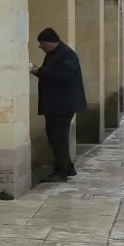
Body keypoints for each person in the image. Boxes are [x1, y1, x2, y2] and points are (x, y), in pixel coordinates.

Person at [31, 27, 86, 181]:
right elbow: (51, 73)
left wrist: (40, 71)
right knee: (55, 137)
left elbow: (65, 75)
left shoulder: (67, 54)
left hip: (62, 106)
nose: (40, 47)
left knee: (58, 138)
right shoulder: (54, 54)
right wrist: (40, 71)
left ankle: (60, 172)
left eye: (41, 43)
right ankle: (67, 168)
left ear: (48, 42)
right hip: (55, 105)